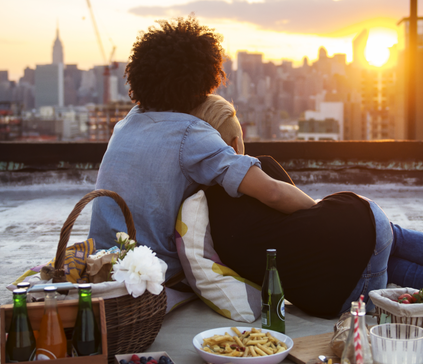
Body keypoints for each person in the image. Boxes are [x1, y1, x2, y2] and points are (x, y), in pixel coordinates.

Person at [190, 94, 423, 317]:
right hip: (362, 231)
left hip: (341, 299)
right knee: (391, 239)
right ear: (236, 142)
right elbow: (304, 211)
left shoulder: (205, 213)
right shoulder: (258, 167)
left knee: (379, 262)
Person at [87, 17, 317, 285]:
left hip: (100, 266)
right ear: (204, 79)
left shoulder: (127, 122)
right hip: (151, 275)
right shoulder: (190, 134)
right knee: (252, 177)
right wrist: (320, 211)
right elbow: (273, 193)